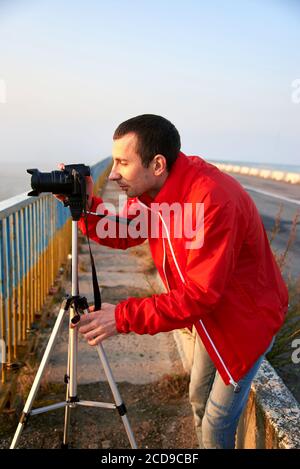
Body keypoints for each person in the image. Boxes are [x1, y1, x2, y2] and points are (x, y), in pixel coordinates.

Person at [57, 114, 288, 449]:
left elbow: (199, 295)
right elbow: (125, 231)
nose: (115, 172)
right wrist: (84, 206)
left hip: (245, 322)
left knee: (215, 425)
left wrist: (122, 317)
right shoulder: (158, 190)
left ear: (158, 163)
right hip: (213, 317)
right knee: (197, 398)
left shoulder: (211, 200)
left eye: (123, 162)